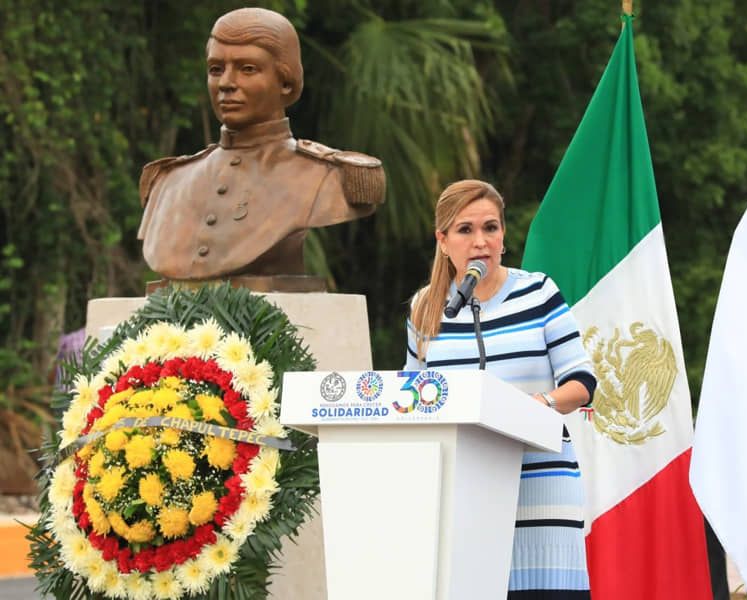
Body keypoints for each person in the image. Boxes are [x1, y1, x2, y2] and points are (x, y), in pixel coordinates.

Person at [404, 179, 596, 598]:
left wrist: (538, 404)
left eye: (490, 228)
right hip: (464, 490)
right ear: (443, 240)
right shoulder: (426, 309)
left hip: (541, 485)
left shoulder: (538, 292)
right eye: (465, 230)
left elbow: (583, 382)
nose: (480, 242)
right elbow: (411, 399)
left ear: (503, 236)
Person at [138, 7, 385, 283]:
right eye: (216, 69)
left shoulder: (329, 176)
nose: (226, 83)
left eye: (247, 69)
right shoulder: (168, 181)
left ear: (286, 84)